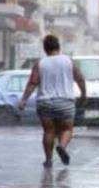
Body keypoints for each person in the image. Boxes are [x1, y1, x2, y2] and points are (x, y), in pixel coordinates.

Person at [18, 35, 86, 168]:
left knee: (49, 131)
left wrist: (24, 100)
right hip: (65, 102)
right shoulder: (68, 61)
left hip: (45, 103)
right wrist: (84, 94)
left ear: (45, 49)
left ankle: (48, 160)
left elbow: (32, 83)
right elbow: (80, 78)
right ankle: (62, 146)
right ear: (59, 47)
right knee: (67, 129)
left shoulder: (40, 63)